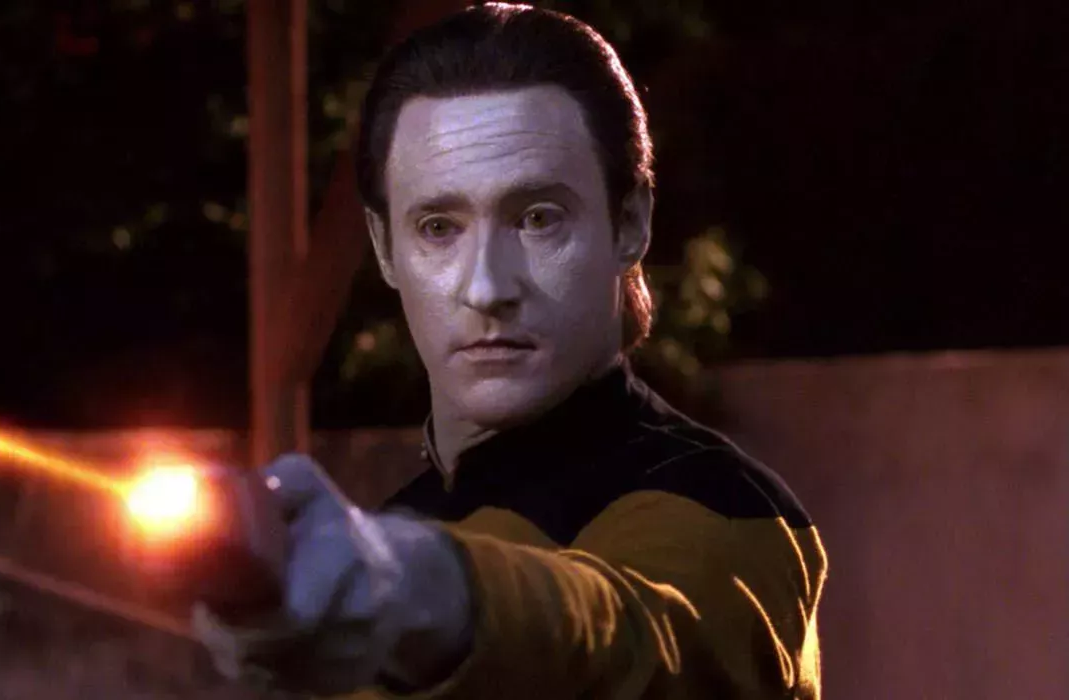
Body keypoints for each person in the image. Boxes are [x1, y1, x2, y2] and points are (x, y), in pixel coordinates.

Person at [191, 4, 826, 698]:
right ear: (385, 248)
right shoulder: (387, 541)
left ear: (630, 224)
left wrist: (422, 592)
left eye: (537, 218)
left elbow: (635, 642)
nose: (487, 287)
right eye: (439, 227)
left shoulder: (724, 504)